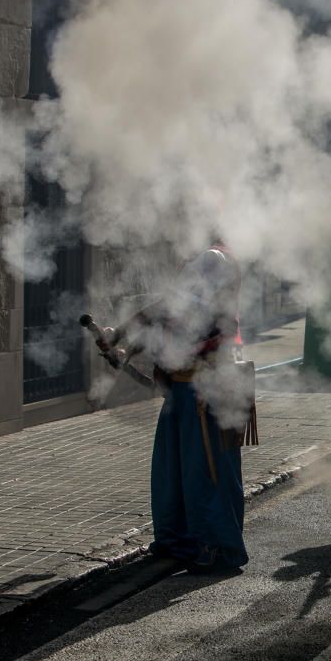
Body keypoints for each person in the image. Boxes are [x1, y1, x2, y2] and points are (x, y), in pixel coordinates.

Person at [98, 239, 254, 572]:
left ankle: (217, 546)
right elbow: (165, 314)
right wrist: (122, 342)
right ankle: (178, 542)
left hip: (206, 390)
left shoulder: (215, 261)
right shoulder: (199, 266)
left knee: (207, 473)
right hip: (184, 388)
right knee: (172, 471)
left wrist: (124, 337)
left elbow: (172, 313)